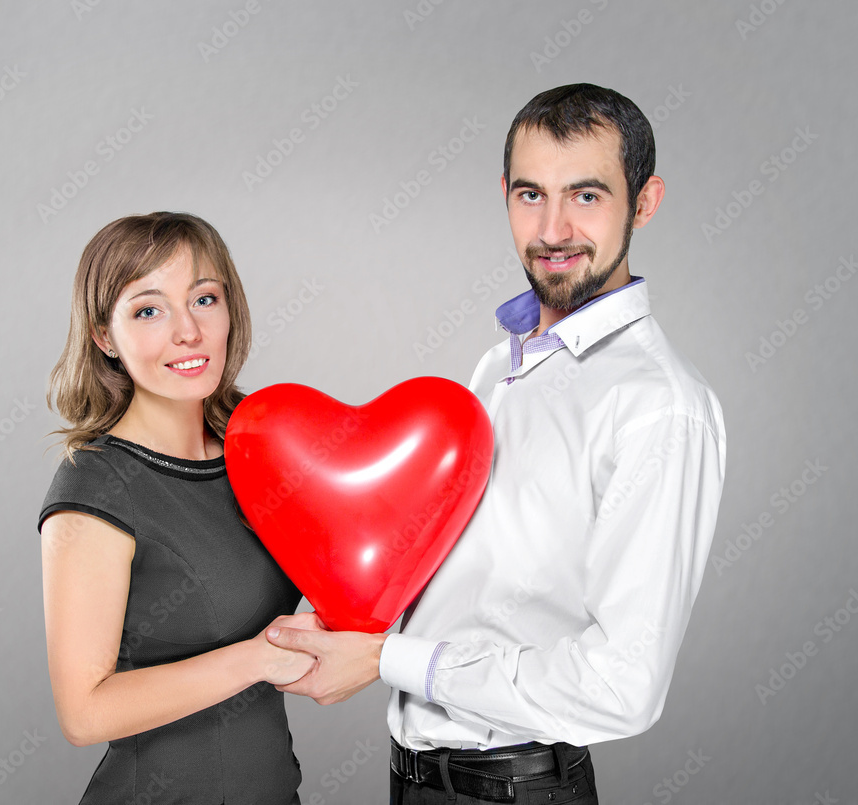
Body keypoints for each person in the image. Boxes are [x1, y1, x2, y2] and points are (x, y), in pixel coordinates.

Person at [266, 84, 727, 803]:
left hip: (515, 788)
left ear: (644, 202)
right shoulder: (498, 367)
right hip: (416, 778)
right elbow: (465, 580)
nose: (553, 228)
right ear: (504, 196)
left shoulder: (657, 406)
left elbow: (622, 686)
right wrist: (342, 617)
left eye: (586, 195)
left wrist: (388, 659)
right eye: (530, 194)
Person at [38, 212, 316, 804]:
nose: (188, 331)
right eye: (149, 310)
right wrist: (262, 657)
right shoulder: (97, 484)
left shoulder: (257, 450)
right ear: (104, 337)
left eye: (204, 299)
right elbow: (83, 713)